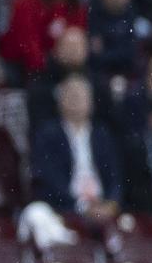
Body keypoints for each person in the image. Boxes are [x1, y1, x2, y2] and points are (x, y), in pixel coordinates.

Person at [29, 74, 121, 219]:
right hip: (65, 208)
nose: (76, 100)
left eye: (80, 96)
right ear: (59, 100)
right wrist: (82, 206)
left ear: (91, 102)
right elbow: (49, 178)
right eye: (71, 95)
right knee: (36, 214)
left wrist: (112, 202)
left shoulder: (101, 134)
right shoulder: (48, 134)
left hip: (102, 206)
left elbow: (114, 174)